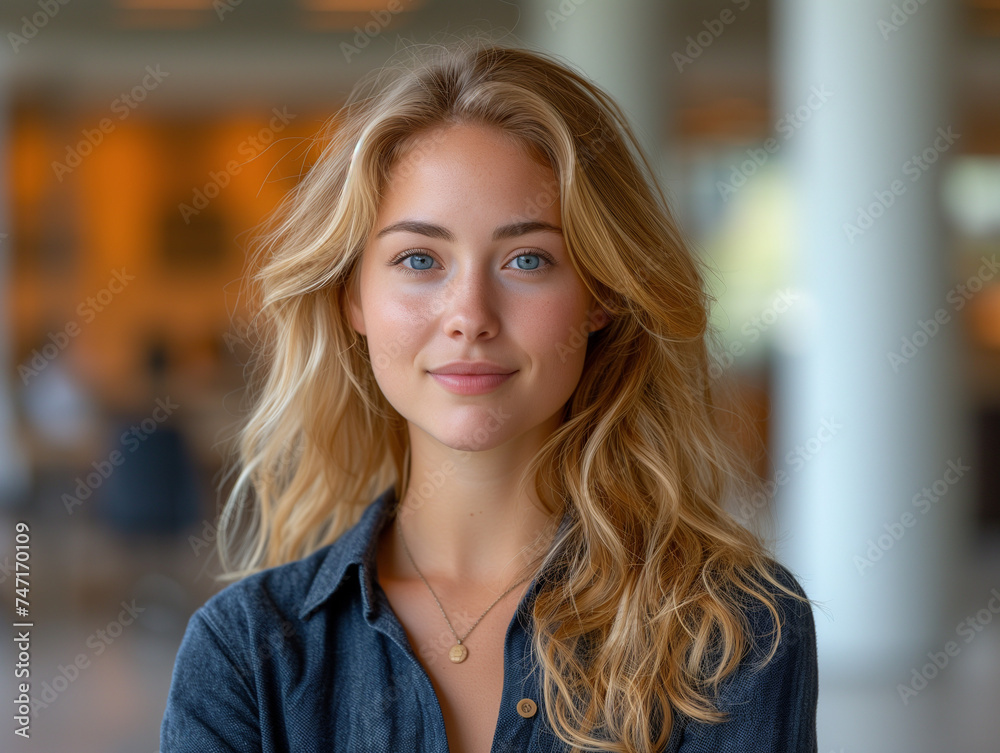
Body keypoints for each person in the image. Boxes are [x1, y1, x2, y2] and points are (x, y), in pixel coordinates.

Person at [161, 37, 818, 753]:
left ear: (601, 293)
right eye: (419, 259)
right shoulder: (244, 653)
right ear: (353, 296)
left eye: (527, 259)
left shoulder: (734, 629)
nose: (469, 312)